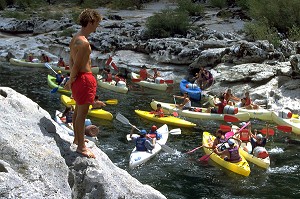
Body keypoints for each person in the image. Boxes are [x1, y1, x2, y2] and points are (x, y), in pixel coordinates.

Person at [64, 8, 102, 158]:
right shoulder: (84, 43)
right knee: (82, 114)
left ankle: (77, 138)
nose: (97, 27)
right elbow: (78, 65)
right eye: (96, 23)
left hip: (78, 80)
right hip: (85, 79)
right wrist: (70, 79)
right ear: (91, 22)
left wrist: (71, 80)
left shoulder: (75, 38)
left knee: (78, 112)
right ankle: (81, 147)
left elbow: (71, 61)